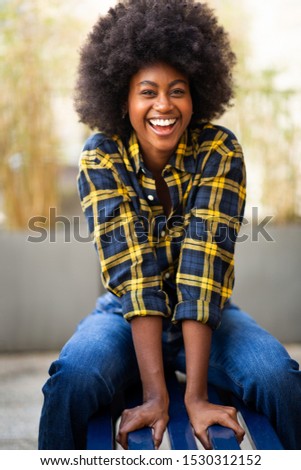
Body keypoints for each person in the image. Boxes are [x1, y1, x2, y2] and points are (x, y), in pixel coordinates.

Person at [38, 0, 301, 450]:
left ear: (197, 94)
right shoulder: (101, 155)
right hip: (125, 314)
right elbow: (136, 276)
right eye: (148, 91)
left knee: (280, 378)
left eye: (177, 90)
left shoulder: (219, 150)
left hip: (207, 317)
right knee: (71, 380)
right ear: (122, 96)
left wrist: (195, 397)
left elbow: (203, 270)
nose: (164, 105)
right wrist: (156, 396)